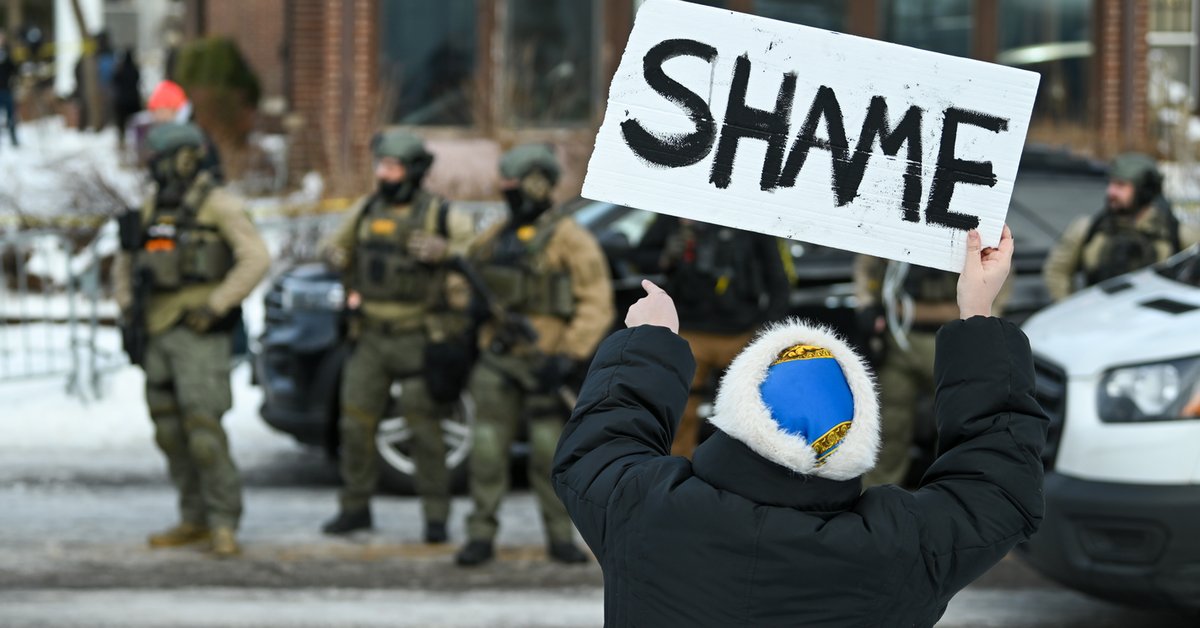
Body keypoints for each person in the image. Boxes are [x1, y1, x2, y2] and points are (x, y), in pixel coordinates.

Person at [553, 226, 1049, 625]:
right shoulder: (897, 552)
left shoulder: (642, 511)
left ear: (738, 409)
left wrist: (651, 340)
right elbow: (999, 487)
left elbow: (599, 442)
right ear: (854, 436)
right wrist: (978, 313)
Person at [112, 123, 270, 557]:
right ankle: (193, 516)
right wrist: (127, 306)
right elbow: (126, 262)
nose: (151, 166)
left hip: (198, 334)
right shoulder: (149, 209)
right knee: (169, 431)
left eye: (158, 157)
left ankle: (223, 520)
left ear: (183, 158)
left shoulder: (218, 206)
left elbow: (256, 259)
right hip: (157, 331)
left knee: (204, 431)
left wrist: (217, 304)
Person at [455, 144, 615, 567]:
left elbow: (596, 301)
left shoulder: (569, 238)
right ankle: (480, 534)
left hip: (546, 361)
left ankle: (560, 536)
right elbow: (465, 277)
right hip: (497, 359)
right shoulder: (496, 236)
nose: (505, 193)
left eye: (511, 185)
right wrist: (467, 306)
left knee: (549, 452)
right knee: (487, 448)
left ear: (535, 184)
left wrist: (569, 355)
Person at [319, 129, 476, 542]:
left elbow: (476, 256)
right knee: (354, 424)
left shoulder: (440, 215)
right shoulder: (366, 210)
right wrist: (334, 255)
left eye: (392, 166)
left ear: (413, 171)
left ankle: (436, 516)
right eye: (381, 166)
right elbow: (334, 245)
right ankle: (355, 508)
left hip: (418, 336)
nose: (384, 174)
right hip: (369, 336)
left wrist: (445, 252)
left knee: (425, 430)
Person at [633, 215, 790, 458]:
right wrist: (666, 257)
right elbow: (641, 258)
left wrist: (766, 330)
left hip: (740, 334)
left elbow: (779, 279)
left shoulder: (756, 216)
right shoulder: (676, 211)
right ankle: (672, 471)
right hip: (688, 331)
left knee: (748, 413)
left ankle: (741, 472)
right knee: (678, 411)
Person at [853, 256, 1011, 488]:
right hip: (901, 337)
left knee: (958, 428)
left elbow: (999, 278)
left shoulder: (978, 233)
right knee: (889, 426)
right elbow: (868, 266)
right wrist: (867, 304)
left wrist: (983, 322)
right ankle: (874, 497)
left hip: (955, 339)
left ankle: (953, 493)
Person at [1044, 152, 1198, 301]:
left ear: (1144, 190)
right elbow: (1057, 271)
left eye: (1121, 185)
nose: (1111, 191)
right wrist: (1070, 311)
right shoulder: (1088, 228)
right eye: (1111, 183)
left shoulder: (1177, 233)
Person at [112, 49, 142, 151]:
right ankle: (137, 142)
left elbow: (115, 81)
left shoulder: (120, 70)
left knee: (122, 125)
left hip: (122, 102)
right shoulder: (135, 70)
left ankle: (122, 142)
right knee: (136, 123)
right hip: (134, 101)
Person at [0, 32, 18, 149]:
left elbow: (14, 69)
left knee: (11, 115)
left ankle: (13, 138)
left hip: (6, 89)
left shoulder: (7, 53)